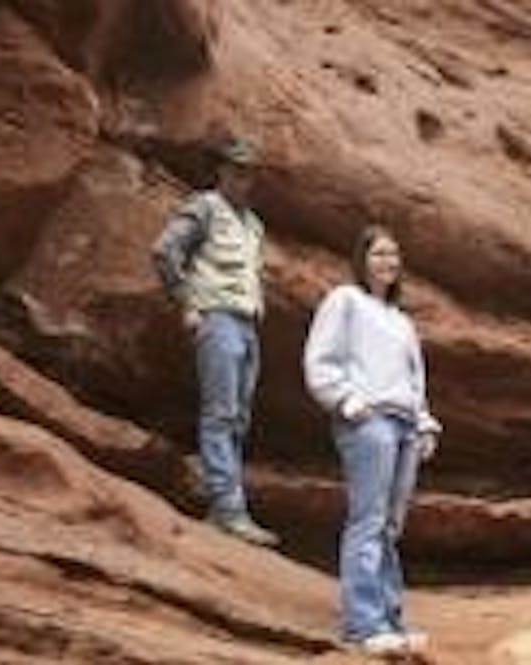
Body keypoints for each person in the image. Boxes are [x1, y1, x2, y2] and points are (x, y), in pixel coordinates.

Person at [303, 225, 440, 657]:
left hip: (404, 425)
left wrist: (424, 423)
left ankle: (390, 621)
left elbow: (413, 378)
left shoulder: (401, 320)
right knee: (368, 519)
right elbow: (320, 359)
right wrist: (347, 402)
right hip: (370, 421)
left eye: (394, 255)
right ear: (362, 259)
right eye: (379, 254)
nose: (388, 262)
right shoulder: (345, 301)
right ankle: (362, 625)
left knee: (389, 526)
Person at [152, 137, 279, 547]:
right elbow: (165, 251)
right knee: (221, 413)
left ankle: (220, 505)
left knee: (238, 417)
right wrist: (187, 303)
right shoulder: (205, 207)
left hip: (247, 324)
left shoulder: (254, 224)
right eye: (236, 170)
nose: (244, 179)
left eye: (249, 173)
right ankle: (230, 510)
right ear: (221, 171)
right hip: (218, 318)